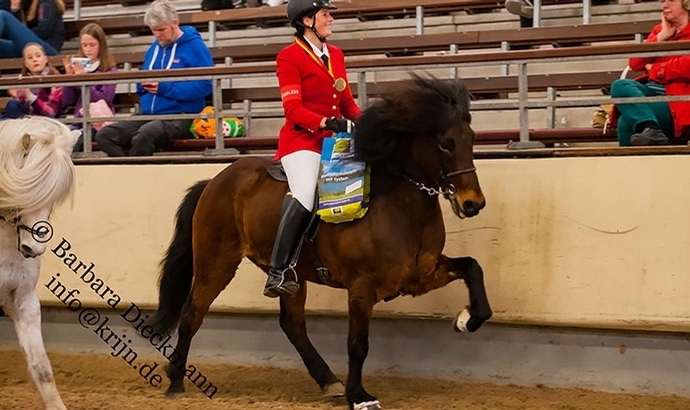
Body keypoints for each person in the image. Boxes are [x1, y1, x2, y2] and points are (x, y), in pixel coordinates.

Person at [263, 0, 361, 298]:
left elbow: (347, 104)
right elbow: (293, 109)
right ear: (307, 21)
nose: (331, 19)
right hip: (302, 142)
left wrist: (370, 123)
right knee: (306, 192)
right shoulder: (289, 57)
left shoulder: (336, 55)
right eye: (325, 14)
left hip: (335, 141)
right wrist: (326, 122)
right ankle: (278, 271)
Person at [95, 0, 213, 156]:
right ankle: (127, 167)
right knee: (105, 135)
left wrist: (165, 88)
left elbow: (205, 84)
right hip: (149, 114)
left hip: (183, 115)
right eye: (153, 30)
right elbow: (145, 76)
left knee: (144, 135)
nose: (157, 34)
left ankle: (135, 173)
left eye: (161, 29)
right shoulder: (154, 47)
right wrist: (142, 85)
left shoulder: (195, 46)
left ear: (175, 23)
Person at [610, 0, 690, 146]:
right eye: (663, 1)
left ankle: (649, 134)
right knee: (619, 85)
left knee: (626, 121)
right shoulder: (660, 30)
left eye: (671, 0)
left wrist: (653, 68)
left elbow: (685, 66)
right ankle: (651, 130)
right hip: (651, 93)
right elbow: (635, 63)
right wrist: (661, 37)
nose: (665, 5)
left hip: (677, 101)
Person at [62, 23, 117, 153]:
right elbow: (67, 101)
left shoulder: (110, 71)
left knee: (76, 138)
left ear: (101, 45)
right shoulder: (79, 67)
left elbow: (103, 98)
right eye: (84, 45)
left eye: (92, 45)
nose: (88, 49)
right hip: (79, 122)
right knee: (62, 138)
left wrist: (84, 79)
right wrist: (69, 78)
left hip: (99, 124)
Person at [1, 42, 62, 118]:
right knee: (12, 105)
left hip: (48, 121)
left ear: (45, 59)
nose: (35, 60)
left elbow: (51, 113)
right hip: (27, 118)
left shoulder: (55, 79)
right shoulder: (22, 79)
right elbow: (21, 107)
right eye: (30, 57)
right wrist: (18, 95)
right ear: (26, 64)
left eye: (38, 56)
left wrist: (30, 96)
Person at [0, 0, 65, 58]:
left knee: (2, 15)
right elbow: (17, 29)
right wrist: (15, 8)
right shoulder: (29, 4)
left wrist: (24, 33)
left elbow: (44, 30)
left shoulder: (46, 3)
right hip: (29, 49)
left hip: (46, 51)